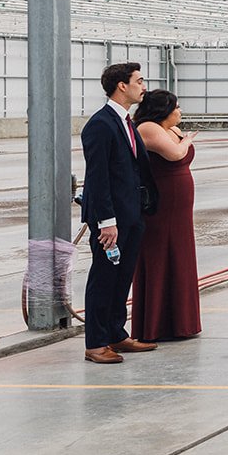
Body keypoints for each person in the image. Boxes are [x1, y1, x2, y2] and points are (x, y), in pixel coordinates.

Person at [79, 61, 157, 364]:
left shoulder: (126, 123)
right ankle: (96, 343)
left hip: (132, 214)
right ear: (121, 86)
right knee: (103, 277)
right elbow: (98, 178)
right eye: (139, 81)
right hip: (111, 219)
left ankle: (115, 332)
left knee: (122, 276)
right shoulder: (100, 125)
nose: (143, 86)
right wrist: (106, 222)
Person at [131, 89, 201, 343]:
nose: (180, 112)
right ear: (164, 111)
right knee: (161, 254)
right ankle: (158, 323)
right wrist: (186, 142)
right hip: (163, 203)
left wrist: (182, 140)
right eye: (176, 107)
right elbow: (175, 154)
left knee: (180, 255)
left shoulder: (168, 129)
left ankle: (181, 321)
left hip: (178, 204)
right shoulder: (148, 127)